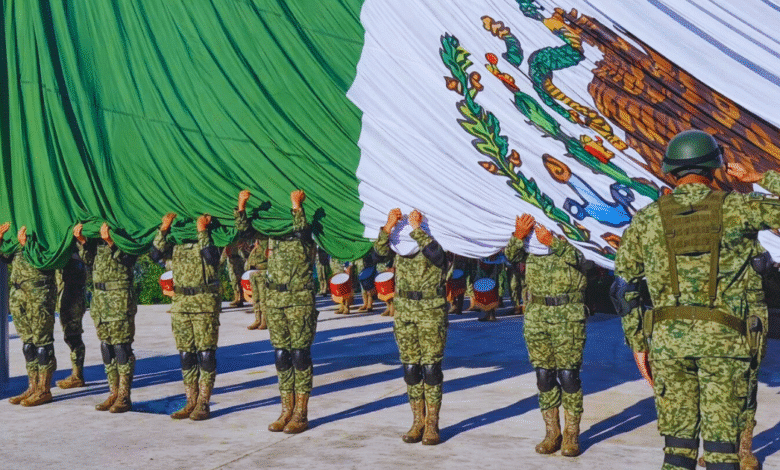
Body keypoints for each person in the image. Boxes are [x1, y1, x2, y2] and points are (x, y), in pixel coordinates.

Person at [612, 129, 780, 470]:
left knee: (677, 451)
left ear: (671, 171)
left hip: (669, 346)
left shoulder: (646, 219)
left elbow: (623, 286)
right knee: (721, 453)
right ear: (714, 167)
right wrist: (761, 177)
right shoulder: (738, 209)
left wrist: (638, 342)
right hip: (725, 345)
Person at [505, 215, 588, 457]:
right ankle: (552, 432)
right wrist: (519, 236)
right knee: (544, 375)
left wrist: (554, 242)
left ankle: (572, 435)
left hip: (568, 313)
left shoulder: (573, 226)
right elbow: (510, 258)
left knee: (568, 375)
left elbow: (585, 260)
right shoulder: (531, 234)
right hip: (536, 314)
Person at [240, 190, 317, 434]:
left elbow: (302, 229)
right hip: (275, 300)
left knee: (299, 355)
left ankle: (300, 413)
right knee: (282, 355)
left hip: (299, 300)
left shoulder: (304, 235)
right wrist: (241, 206)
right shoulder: (272, 235)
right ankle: (286, 410)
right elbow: (245, 231)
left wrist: (296, 206)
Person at [374, 208, 448, 445]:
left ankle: (432, 425)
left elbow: (440, 258)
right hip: (404, 308)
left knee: (431, 369)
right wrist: (388, 227)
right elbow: (378, 255)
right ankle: (418, 421)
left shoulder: (439, 230)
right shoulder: (398, 238)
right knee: (411, 369)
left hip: (430, 309)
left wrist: (417, 230)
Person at [152, 212, 222, 421]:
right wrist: (163, 229)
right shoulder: (175, 244)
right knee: (186, 354)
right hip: (181, 303)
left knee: (206, 354)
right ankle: (190, 400)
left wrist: (202, 231)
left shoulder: (211, 239)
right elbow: (155, 255)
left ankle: (203, 403)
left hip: (204, 303)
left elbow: (211, 258)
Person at [75, 222, 138, 412]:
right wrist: (83, 242)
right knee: (106, 346)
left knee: (121, 346)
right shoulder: (95, 237)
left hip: (119, 297)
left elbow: (129, 259)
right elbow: (88, 260)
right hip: (100, 299)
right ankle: (114, 392)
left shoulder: (126, 231)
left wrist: (111, 241)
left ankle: (124, 396)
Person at [2, 224, 57, 406]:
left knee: (43, 344)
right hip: (18, 291)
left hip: (39, 291)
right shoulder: (15, 228)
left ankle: (44, 389)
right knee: (28, 344)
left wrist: (28, 246)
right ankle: (32, 387)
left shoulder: (45, 227)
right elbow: (6, 257)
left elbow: (51, 258)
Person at [234, 190, 269, 330]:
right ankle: (257, 318)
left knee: (265, 297)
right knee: (256, 297)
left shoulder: (267, 233)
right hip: (254, 270)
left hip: (264, 269)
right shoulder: (257, 239)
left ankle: (265, 320)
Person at [54, 252, 88, 389]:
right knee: (70, 335)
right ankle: (76, 374)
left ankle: (77, 375)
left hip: (73, 295)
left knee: (73, 335)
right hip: (66, 293)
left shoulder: (75, 256)